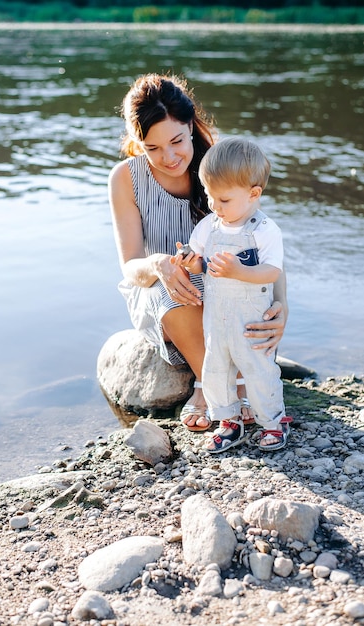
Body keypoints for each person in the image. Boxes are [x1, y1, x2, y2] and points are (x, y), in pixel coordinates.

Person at [108, 73, 288, 433]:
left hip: (225, 283)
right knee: (170, 291)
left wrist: (282, 306)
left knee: (241, 285)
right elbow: (130, 267)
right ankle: (216, 386)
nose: (169, 157)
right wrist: (159, 264)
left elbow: (263, 241)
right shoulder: (125, 178)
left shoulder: (218, 164)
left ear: (191, 124)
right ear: (136, 143)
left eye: (176, 141)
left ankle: (232, 381)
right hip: (160, 290)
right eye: (152, 148)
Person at [174, 136, 291, 453]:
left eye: (223, 200)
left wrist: (240, 272)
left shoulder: (263, 230)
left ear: (254, 194)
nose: (214, 206)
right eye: (210, 197)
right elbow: (202, 263)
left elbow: (271, 272)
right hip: (217, 319)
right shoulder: (209, 227)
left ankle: (272, 422)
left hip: (250, 320)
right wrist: (189, 260)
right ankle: (228, 421)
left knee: (258, 371)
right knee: (216, 370)